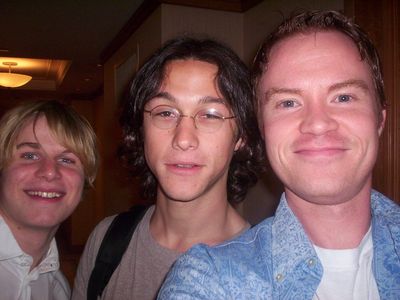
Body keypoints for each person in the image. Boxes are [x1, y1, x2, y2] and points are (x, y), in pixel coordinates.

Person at [158, 10, 400, 299]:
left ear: (380, 120)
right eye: (288, 102)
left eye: (343, 97)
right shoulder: (210, 280)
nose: (318, 123)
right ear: (262, 130)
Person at [72, 37, 264, 299]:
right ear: (141, 130)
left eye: (210, 114)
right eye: (165, 112)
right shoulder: (106, 240)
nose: (183, 138)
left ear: (240, 137)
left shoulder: (264, 270)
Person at [0, 100, 99, 300]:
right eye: (29, 155)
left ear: (84, 182)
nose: (49, 172)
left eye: (66, 160)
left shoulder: (59, 289)